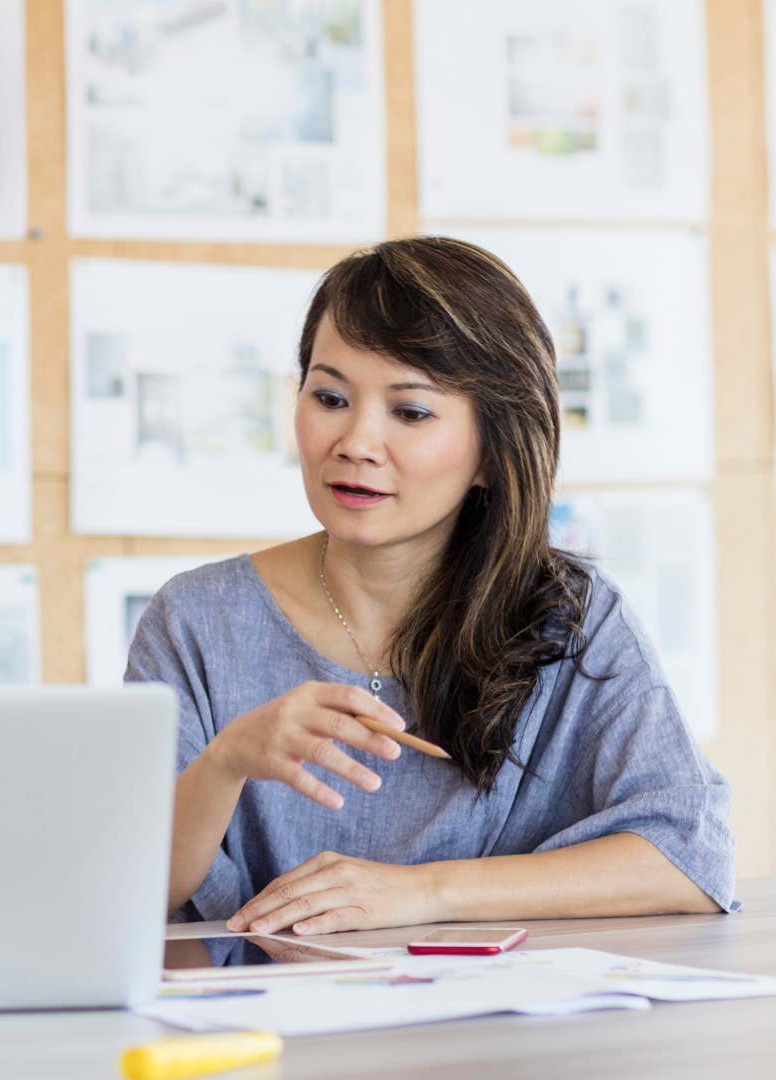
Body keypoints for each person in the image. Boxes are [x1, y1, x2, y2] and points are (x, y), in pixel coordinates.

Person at [130, 236, 735, 938]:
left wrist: (423, 893)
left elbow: (690, 858)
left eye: (410, 412)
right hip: (263, 1032)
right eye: (329, 397)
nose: (355, 441)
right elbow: (130, 890)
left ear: (490, 452)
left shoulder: (567, 617)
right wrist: (226, 761)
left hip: (492, 1034)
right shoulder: (196, 619)